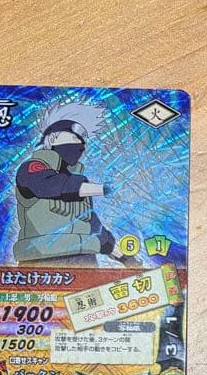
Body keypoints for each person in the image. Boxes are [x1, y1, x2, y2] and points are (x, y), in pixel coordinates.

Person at [13, 102, 140, 267]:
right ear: (53, 139)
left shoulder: (79, 184)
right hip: (43, 261)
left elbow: (92, 223)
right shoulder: (32, 168)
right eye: (74, 138)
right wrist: (104, 189)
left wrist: (125, 258)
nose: (80, 146)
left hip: (83, 261)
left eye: (83, 142)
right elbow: (50, 185)